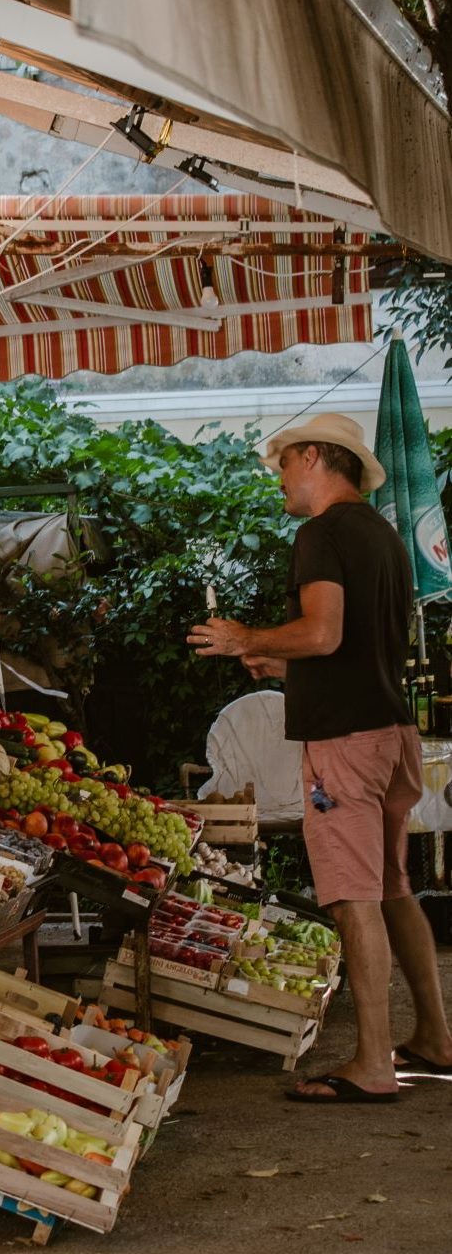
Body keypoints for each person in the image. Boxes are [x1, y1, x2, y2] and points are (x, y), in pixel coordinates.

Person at [186, 412, 452, 1103]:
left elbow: (324, 632)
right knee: (393, 889)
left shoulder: (321, 532)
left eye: (281, 465)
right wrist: (277, 661)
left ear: (312, 457)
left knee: (350, 899)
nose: (278, 480)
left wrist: (246, 632)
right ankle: (433, 1037)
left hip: (344, 745)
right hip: (390, 735)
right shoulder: (382, 536)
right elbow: (354, 649)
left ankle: (369, 1064)